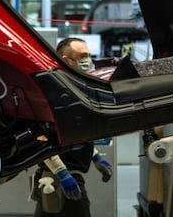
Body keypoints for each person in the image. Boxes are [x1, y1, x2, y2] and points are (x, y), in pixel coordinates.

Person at [34, 37, 113, 217]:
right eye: (82, 56)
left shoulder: (75, 88)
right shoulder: (53, 92)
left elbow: (73, 134)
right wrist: (62, 174)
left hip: (66, 176)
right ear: (65, 59)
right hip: (58, 178)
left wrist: (96, 157)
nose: (88, 60)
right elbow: (42, 139)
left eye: (89, 55)